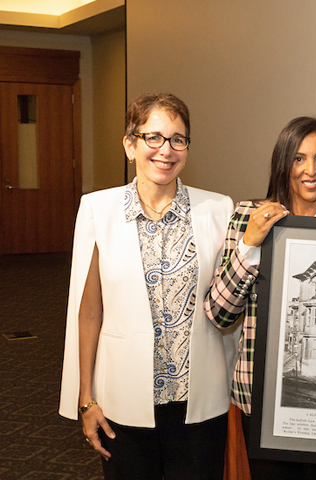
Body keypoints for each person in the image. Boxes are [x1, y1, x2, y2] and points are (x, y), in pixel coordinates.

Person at [59, 92, 237, 479]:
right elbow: (88, 311)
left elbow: (231, 303)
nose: (166, 150)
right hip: (123, 401)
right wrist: (85, 398)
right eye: (153, 137)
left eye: (178, 139)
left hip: (199, 403)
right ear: (130, 145)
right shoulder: (98, 210)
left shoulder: (219, 210)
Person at [204, 116, 316, 479]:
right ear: (283, 164)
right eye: (298, 159)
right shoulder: (248, 217)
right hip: (263, 403)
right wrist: (250, 245)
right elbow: (219, 314)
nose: (310, 170)